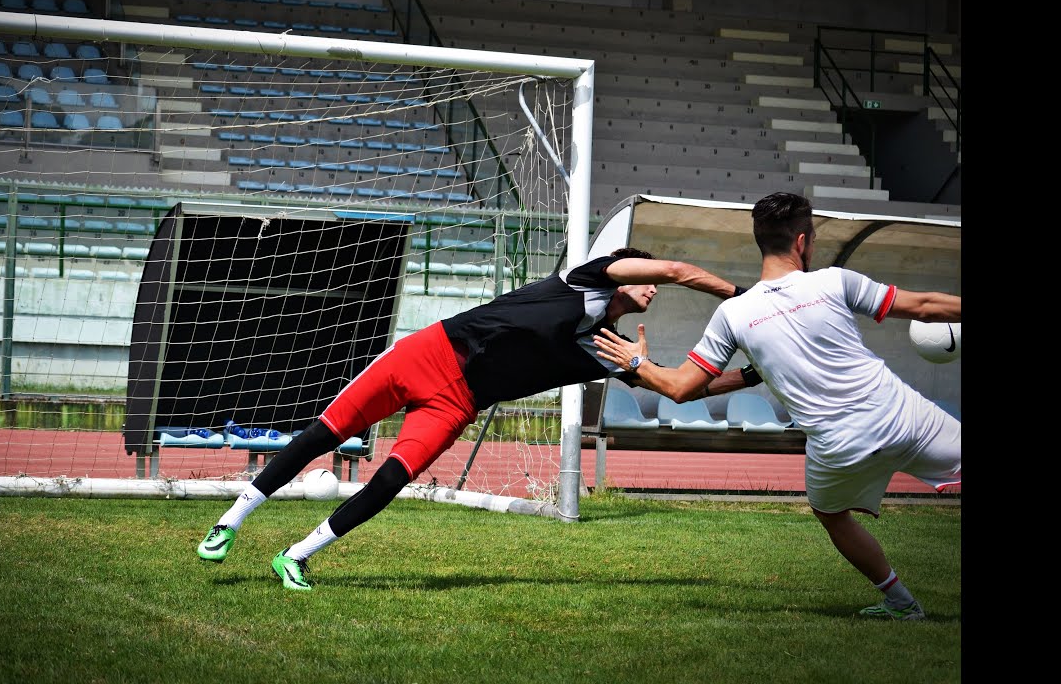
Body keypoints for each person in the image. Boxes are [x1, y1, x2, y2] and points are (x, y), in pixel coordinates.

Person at [197, 247, 762, 591]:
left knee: (394, 477)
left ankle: (295, 556)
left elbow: (683, 389)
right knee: (326, 432)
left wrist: (755, 376)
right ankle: (231, 520)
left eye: (655, 286)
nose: (654, 287)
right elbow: (677, 267)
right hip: (430, 352)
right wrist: (745, 297)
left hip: (458, 402)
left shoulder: (607, 347)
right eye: (647, 280)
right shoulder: (589, 278)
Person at [592, 192, 960, 621]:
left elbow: (679, 389)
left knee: (830, 513)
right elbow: (925, 306)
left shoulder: (734, 313)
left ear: (760, 240)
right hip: (901, 417)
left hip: (837, 446)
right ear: (803, 242)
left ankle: (902, 603)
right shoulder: (834, 281)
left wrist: (636, 363)